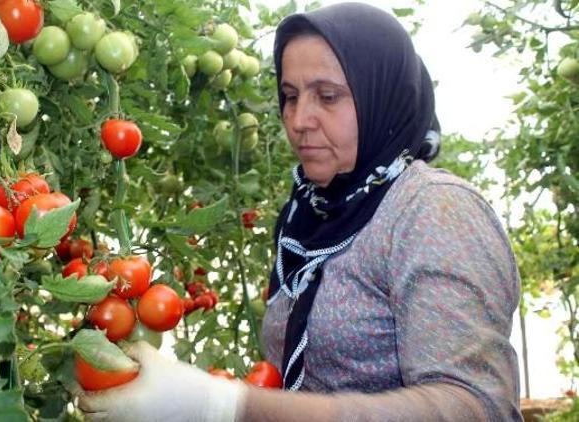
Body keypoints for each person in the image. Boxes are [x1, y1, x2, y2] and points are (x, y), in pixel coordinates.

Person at [77, 3, 522, 421]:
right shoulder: (305, 217)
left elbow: (476, 406)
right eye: (290, 96)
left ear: (380, 96)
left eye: (327, 96)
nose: (299, 119)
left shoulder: (433, 210)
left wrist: (228, 406)